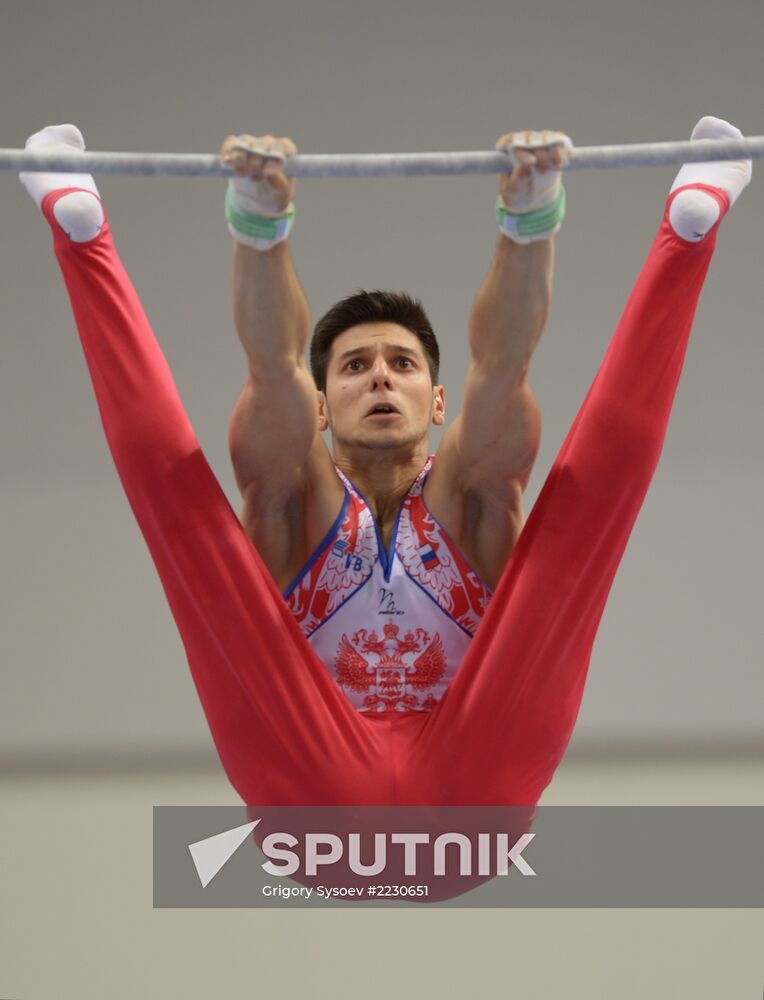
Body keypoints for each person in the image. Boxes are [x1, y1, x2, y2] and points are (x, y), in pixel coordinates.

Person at [19, 117, 751, 807]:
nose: (378, 376)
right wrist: (261, 226)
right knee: (184, 507)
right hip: (314, 792)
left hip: (472, 782)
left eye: (401, 363)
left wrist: (527, 222)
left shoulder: (473, 491)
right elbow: (273, 367)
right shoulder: (292, 497)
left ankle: (685, 228)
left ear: (437, 403)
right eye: (354, 366)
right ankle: (83, 236)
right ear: (319, 404)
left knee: (582, 506)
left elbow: (501, 368)